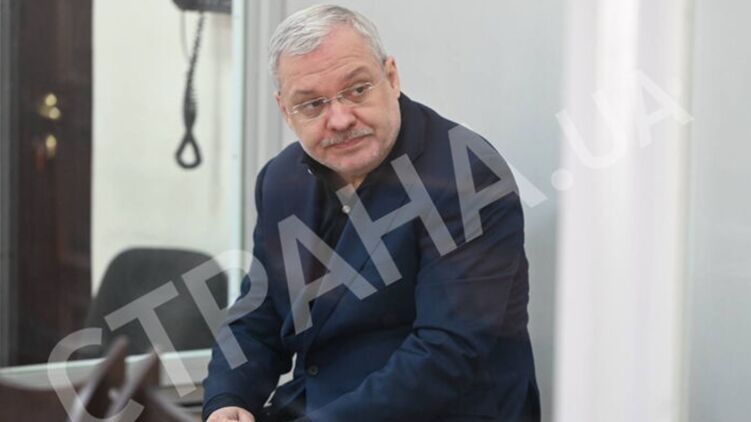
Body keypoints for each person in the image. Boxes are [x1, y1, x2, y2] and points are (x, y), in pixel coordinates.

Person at [203, 5, 539, 422]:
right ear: (285, 111)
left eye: (357, 90)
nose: (340, 119)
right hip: (315, 405)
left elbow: (447, 354)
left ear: (391, 78)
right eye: (312, 105)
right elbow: (261, 311)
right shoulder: (280, 179)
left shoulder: (466, 172)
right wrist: (228, 398)